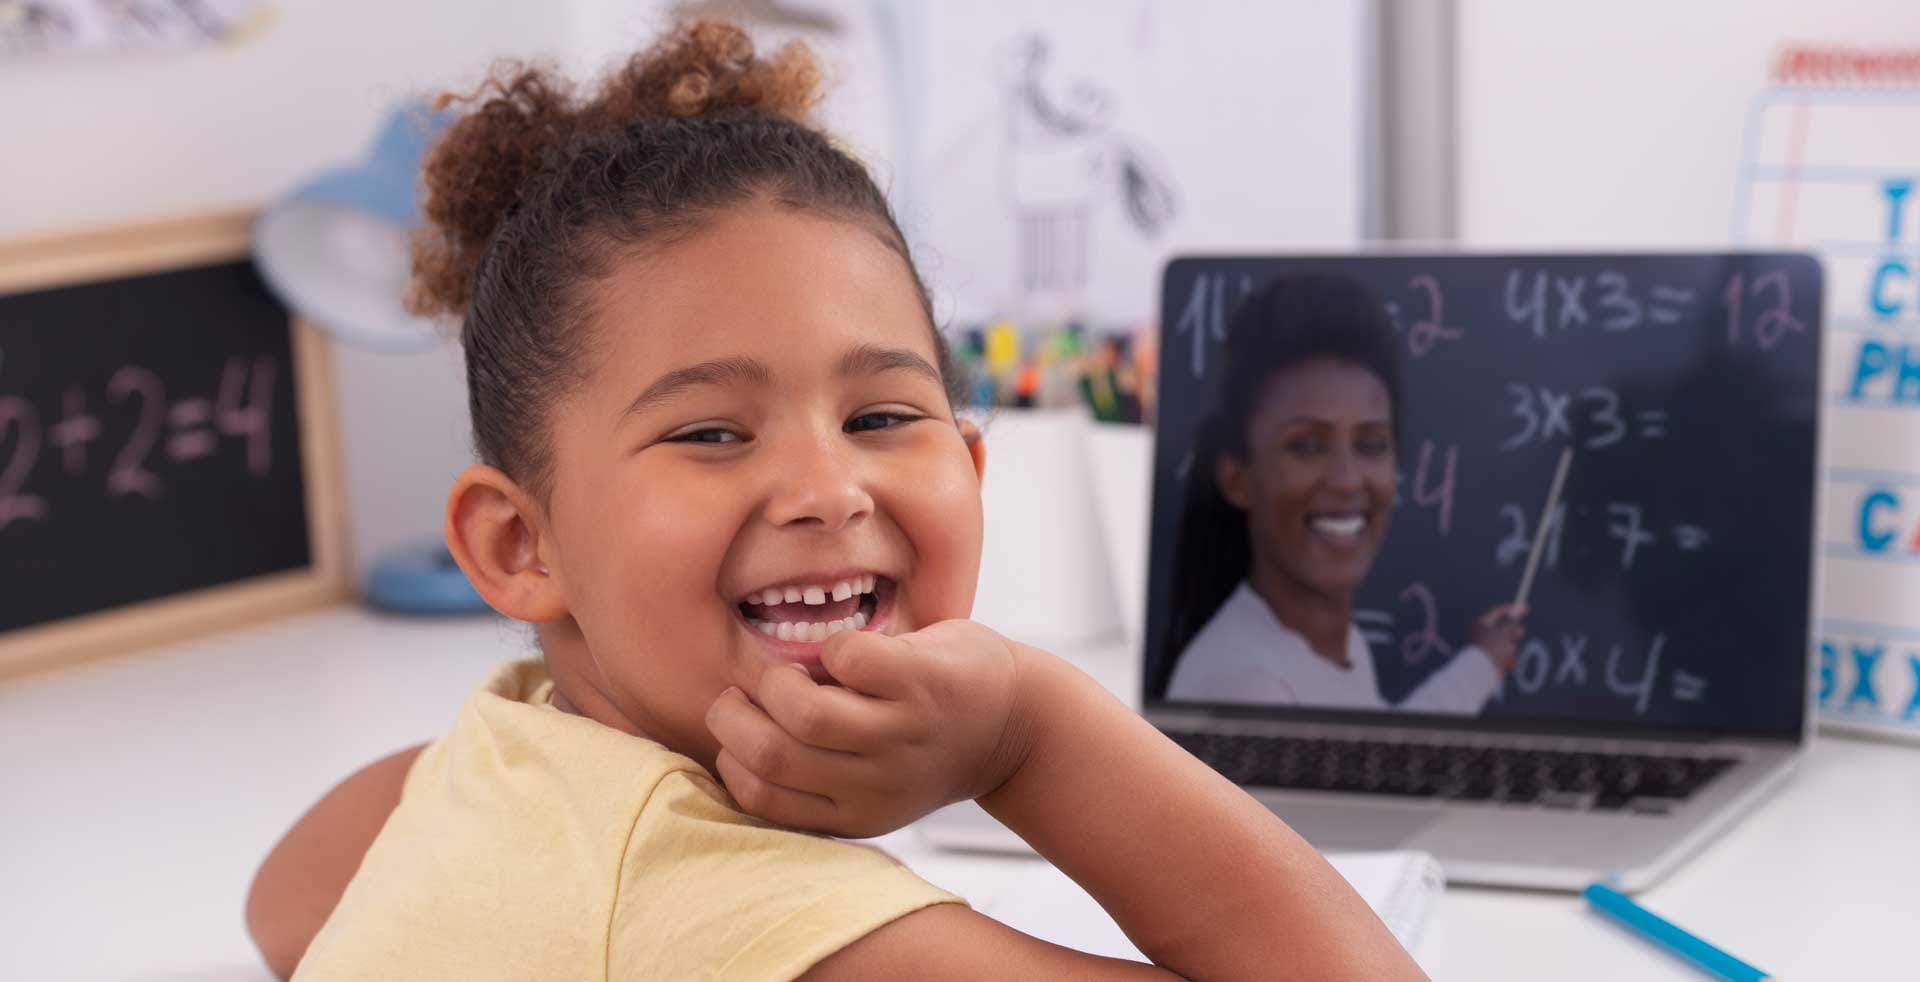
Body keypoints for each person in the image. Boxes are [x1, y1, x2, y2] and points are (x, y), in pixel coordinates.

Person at [241, 22, 1427, 982]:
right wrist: (1028, 735)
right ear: (517, 543)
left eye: (881, 417)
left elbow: (283, 900)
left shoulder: (508, 757)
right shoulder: (741, 917)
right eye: (710, 432)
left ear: (971, 466)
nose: (826, 489)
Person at [1161, 273, 1526, 712]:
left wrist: (1482, 662)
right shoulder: (1246, 685)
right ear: (1238, 479)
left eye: (1371, 445)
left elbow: (1387, 750)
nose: (1347, 480)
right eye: (1306, 445)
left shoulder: (1336, 644)